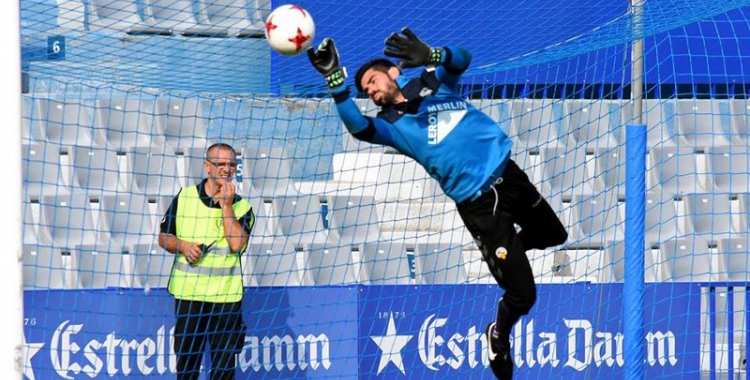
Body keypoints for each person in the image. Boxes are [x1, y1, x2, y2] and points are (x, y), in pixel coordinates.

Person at [308, 28, 568, 379]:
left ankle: (504, 255)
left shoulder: (433, 84)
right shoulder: (390, 125)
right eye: (365, 91)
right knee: (523, 296)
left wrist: (432, 54)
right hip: (479, 205)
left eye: (372, 81)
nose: (369, 91)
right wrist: (335, 81)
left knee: (554, 234)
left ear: (394, 72)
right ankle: (498, 334)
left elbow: (463, 59)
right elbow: (357, 127)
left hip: (510, 175)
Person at [158, 142, 255, 380]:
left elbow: (236, 244)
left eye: (232, 165)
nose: (227, 169)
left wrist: (226, 205)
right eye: (220, 164)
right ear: (207, 167)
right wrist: (183, 246)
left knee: (223, 370)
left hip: (225, 299)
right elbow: (163, 237)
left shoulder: (243, 206)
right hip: (190, 297)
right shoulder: (185, 197)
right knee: (187, 368)